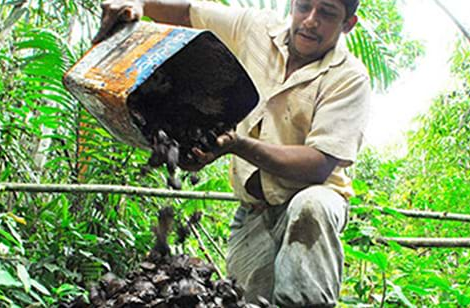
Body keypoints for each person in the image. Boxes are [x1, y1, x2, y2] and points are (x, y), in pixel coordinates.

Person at [93, 0, 371, 306]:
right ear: (293, 4)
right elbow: (188, 13)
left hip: (313, 203)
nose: (311, 20)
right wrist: (139, 3)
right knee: (242, 300)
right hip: (253, 213)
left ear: (348, 24)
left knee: (310, 206)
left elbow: (319, 165)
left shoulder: (349, 77)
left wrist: (238, 145)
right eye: (304, 6)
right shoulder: (255, 28)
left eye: (328, 13)